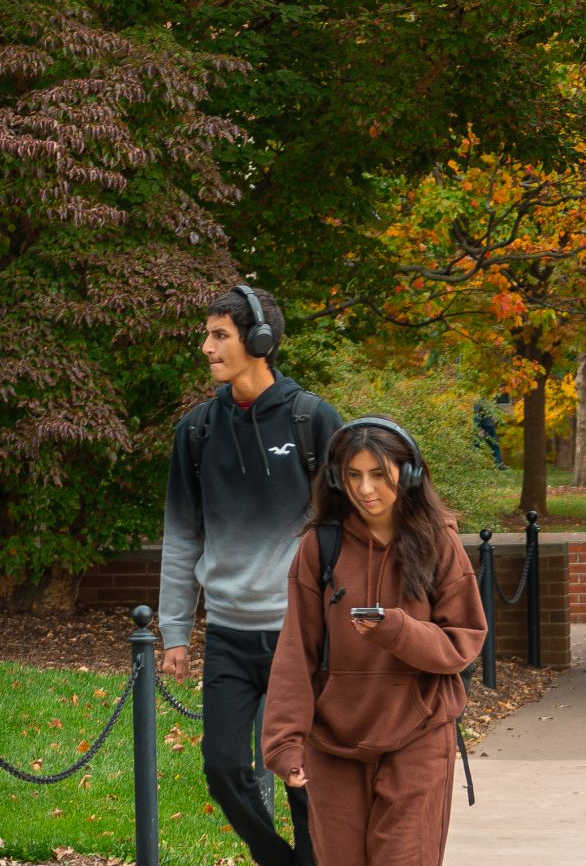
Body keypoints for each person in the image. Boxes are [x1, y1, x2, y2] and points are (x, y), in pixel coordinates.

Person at [159, 285, 344, 866]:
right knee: (221, 767)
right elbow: (183, 534)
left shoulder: (312, 419)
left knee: (303, 773)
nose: (206, 346)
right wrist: (175, 631)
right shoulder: (196, 431)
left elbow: (348, 524)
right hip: (230, 637)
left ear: (258, 341)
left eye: (220, 335)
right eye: (208, 334)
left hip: (302, 635)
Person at [263, 418, 487, 866]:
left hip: (418, 734)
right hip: (334, 743)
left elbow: (463, 642)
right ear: (336, 478)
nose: (365, 489)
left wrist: (398, 630)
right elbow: (296, 651)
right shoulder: (319, 546)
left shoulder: (438, 542)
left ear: (408, 474)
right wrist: (285, 743)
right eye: (353, 475)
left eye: (379, 474)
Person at [471, 395, 507, 470]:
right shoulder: (479, 399)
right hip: (482, 427)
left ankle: (499, 464)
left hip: (490, 426)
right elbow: (476, 415)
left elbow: (495, 410)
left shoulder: (492, 396)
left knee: (494, 445)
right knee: (477, 445)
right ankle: (473, 464)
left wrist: (495, 419)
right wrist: (478, 427)